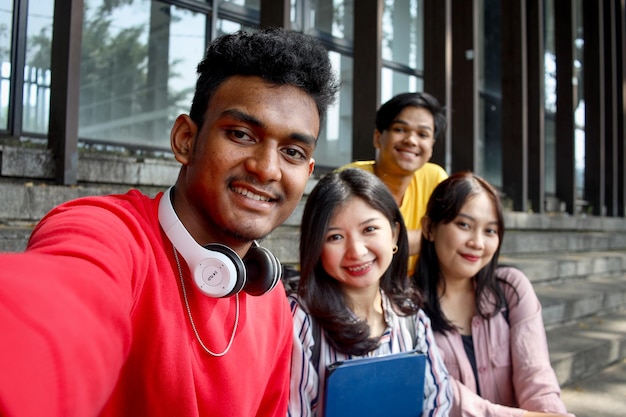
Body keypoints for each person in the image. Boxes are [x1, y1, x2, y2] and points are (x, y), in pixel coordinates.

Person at [0, 28, 339, 417]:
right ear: (184, 140)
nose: (266, 169)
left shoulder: (273, 302)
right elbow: (50, 316)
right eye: (241, 134)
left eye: (293, 152)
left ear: (308, 171)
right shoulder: (106, 232)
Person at [288, 168, 452, 417]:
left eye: (369, 230)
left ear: (395, 233)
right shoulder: (301, 320)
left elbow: (439, 400)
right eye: (335, 237)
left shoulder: (410, 317)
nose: (356, 251)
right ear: (316, 246)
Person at [414, 171, 574, 417]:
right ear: (429, 228)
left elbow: (537, 379)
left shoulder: (511, 289)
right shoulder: (403, 307)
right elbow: (446, 398)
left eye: (490, 231)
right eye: (464, 225)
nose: (478, 242)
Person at [342, 92, 448, 275]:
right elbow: (353, 248)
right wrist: (431, 237)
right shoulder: (350, 180)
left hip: (411, 292)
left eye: (423, 134)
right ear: (378, 138)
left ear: (431, 146)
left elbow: (452, 238)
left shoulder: (435, 178)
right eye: (400, 129)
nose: (411, 141)